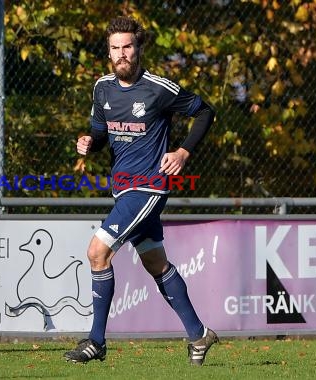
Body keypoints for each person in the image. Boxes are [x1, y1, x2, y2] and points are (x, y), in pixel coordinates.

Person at [63, 16, 218, 366]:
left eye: (127, 47)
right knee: (156, 263)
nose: (122, 54)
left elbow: (206, 111)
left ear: (139, 48)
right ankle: (198, 334)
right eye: (115, 48)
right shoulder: (102, 88)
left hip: (150, 186)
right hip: (122, 188)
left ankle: (96, 341)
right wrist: (90, 142)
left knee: (97, 252)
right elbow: (100, 132)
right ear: (109, 52)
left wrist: (182, 152)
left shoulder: (158, 89)